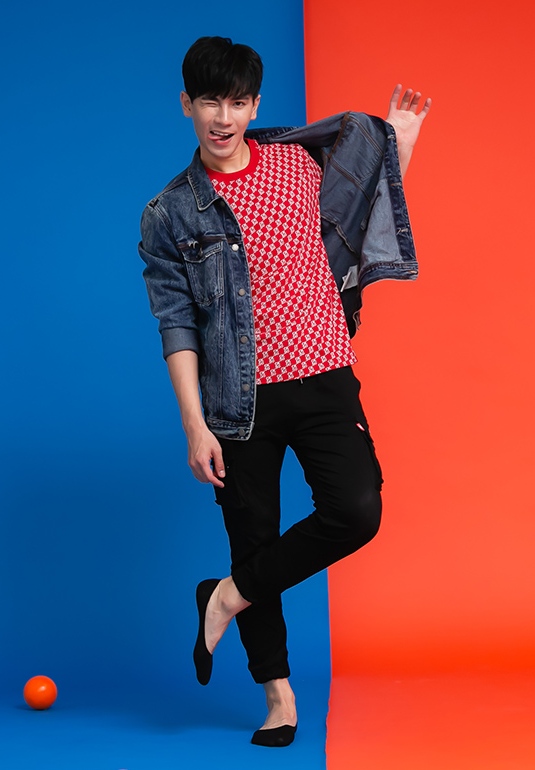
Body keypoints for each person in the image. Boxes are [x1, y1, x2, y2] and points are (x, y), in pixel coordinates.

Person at [139, 36, 430, 748]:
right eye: (210, 101)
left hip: (325, 374)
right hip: (239, 402)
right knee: (254, 536)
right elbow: (176, 325)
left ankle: (225, 596)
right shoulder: (170, 213)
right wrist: (194, 426)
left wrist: (399, 142)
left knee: (355, 510)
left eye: (237, 102)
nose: (223, 117)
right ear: (186, 104)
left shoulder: (298, 163)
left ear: (255, 106)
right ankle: (278, 697)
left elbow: (362, 211)